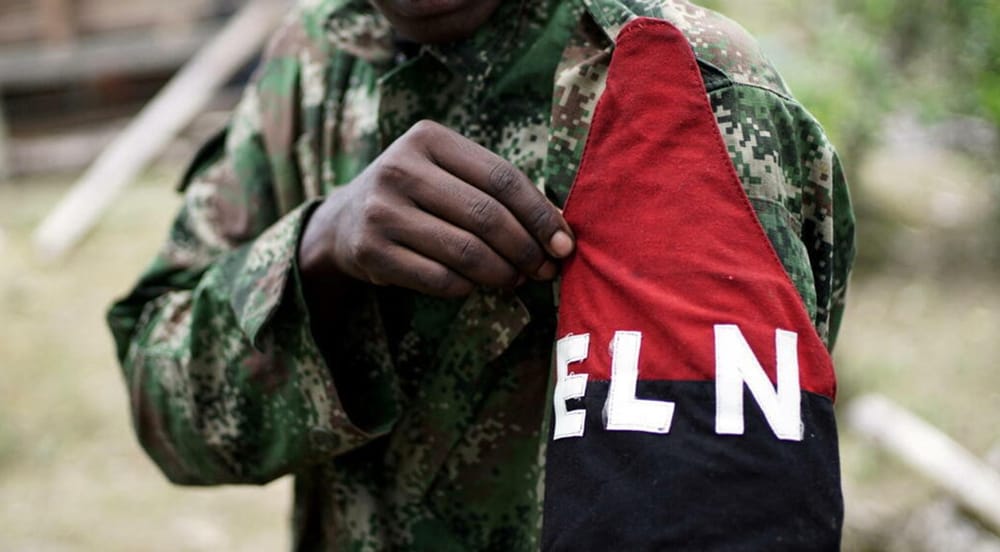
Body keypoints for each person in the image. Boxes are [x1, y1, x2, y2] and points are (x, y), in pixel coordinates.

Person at [107, 0, 855, 550]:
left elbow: (738, 514)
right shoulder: (314, 57)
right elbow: (165, 412)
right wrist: (316, 250)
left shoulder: (681, 83)